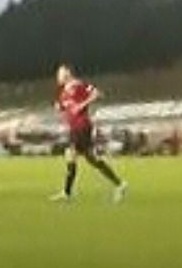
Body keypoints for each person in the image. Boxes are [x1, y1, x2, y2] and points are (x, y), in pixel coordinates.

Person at [50, 65, 128, 203]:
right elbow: (64, 107)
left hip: (82, 127)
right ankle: (120, 184)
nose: (58, 77)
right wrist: (60, 107)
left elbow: (97, 93)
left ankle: (67, 193)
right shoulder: (63, 92)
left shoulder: (78, 85)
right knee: (92, 159)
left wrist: (82, 105)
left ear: (67, 74)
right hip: (75, 128)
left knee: (71, 155)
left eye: (60, 74)